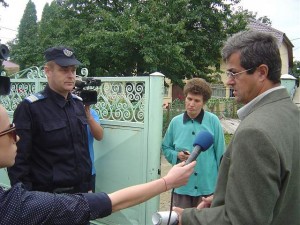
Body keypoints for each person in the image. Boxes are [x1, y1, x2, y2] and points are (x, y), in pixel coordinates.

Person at [174, 30, 300, 225]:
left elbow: (241, 220)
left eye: (234, 73)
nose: (228, 81)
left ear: (261, 72)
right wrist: (225, 199)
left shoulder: (255, 132)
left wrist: (188, 217)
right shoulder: (292, 114)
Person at [0, 103, 196, 224]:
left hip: (79, 189)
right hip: (50, 194)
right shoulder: (13, 206)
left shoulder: (79, 106)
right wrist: (167, 182)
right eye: (10, 131)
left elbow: (92, 141)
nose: (17, 137)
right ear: (48, 71)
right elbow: (111, 202)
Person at [8, 46, 92, 193]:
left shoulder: (78, 104)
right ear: (48, 71)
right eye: (64, 70)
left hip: (81, 195)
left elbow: (82, 152)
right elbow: (18, 160)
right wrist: (25, 199)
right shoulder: (30, 108)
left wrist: (88, 187)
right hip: (48, 199)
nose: (71, 75)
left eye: (73, 70)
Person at [162, 78, 225, 208]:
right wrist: (177, 155)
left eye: (197, 101)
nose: (192, 104)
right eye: (189, 99)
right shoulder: (175, 122)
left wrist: (222, 186)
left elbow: (221, 155)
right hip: (182, 187)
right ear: (185, 98)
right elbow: (166, 147)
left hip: (207, 189)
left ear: (203, 103)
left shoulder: (213, 121)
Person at [85, 105, 104, 193]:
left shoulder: (91, 113)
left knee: (88, 205)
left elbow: (99, 136)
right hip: (62, 173)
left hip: (87, 171)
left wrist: (89, 117)